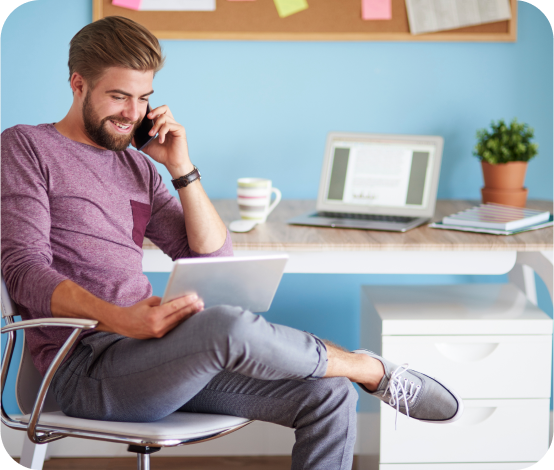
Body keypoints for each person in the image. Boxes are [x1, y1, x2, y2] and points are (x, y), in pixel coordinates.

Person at [0, 16, 463, 469]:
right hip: (80, 368)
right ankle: (369, 369)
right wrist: (122, 318)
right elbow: (24, 270)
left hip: (151, 359)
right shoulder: (27, 148)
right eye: (118, 96)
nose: (132, 114)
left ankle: (349, 374)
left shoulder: (138, 168)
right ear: (78, 84)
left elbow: (212, 257)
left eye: (143, 99)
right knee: (226, 327)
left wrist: (180, 167)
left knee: (329, 394)